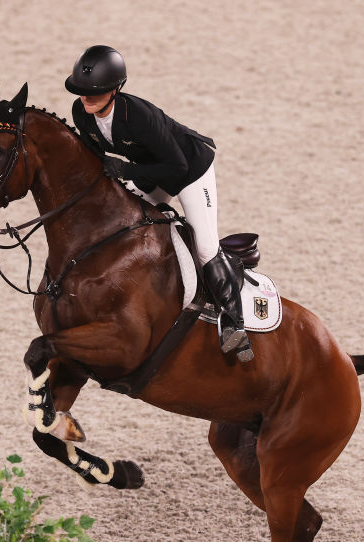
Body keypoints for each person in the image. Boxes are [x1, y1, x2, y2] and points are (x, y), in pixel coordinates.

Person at [65, 45, 252, 362]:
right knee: (120, 224)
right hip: (152, 170)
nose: (86, 98)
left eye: (95, 91)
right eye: (82, 91)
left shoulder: (139, 117)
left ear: (116, 89)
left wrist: (125, 170)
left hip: (190, 170)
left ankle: (235, 327)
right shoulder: (80, 112)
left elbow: (176, 168)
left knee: (205, 247)